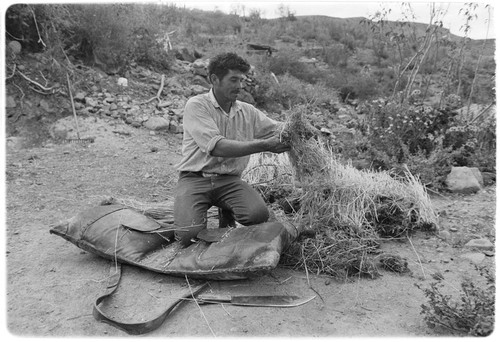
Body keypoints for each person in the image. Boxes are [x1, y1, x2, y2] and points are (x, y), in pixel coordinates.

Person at [173, 52, 290, 246]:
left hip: (229, 181)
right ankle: (198, 213)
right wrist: (265, 145)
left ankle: (225, 209)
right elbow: (218, 147)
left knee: (258, 215)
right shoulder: (197, 105)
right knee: (188, 236)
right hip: (195, 178)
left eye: (241, 80)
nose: (239, 86)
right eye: (233, 80)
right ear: (214, 79)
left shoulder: (247, 111)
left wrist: (300, 129)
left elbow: (278, 128)